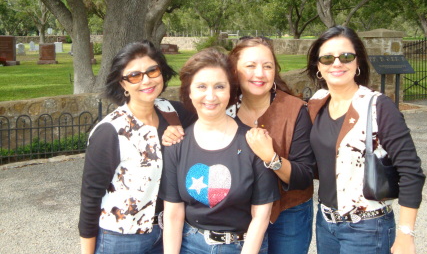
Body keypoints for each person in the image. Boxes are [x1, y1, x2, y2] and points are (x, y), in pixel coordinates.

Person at [162, 37, 315, 254]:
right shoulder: (222, 103)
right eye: (250, 66)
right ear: (235, 72)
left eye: (267, 66)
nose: (259, 73)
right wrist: (172, 132)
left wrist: (270, 158)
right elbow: (196, 126)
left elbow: (304, 176)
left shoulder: (294, 110)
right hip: (237, 215)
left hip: (287, 212)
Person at [305, 26, 426, 254]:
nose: (337, 63)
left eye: (346, 56)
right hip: (325, 223)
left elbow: (411, 171)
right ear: (318, 66)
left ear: (357, 62)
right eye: (328, 58)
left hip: (368, 229)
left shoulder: (378, 106)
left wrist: (405, 234)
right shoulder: (317, 102)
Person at [78, 40, 195, 254]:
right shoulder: (111, 132)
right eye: (134, 75)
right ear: (123, 84)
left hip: (169, 233)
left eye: (153, 71)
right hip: (121, 239)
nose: (146, 80)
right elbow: (90, 198)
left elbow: (210, 128)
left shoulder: (174, 113)